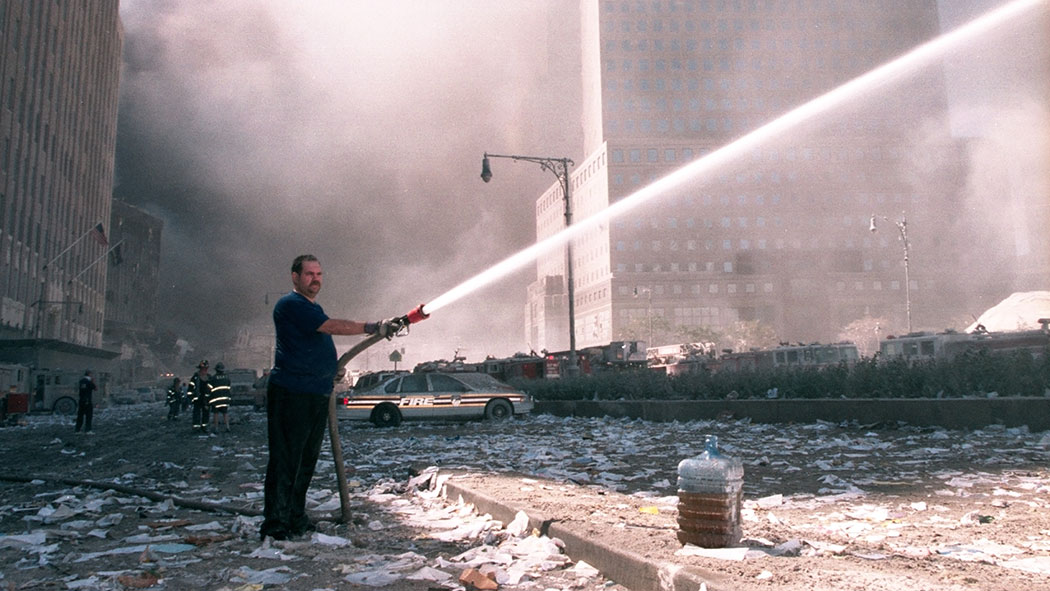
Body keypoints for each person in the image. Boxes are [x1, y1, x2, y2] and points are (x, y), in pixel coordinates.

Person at [260, 254, 395, 541]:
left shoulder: (312, 307)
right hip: (291, 393)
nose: (316, 279)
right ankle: (275, 524)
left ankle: (296, 518)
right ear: (295, 277)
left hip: (314, 393)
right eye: (309, 274)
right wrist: (372, 326)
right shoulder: (291, 304)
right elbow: (330, 326)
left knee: (306, 460)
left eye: (319, 274)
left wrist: (329, 372)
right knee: (286, 460)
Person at [188, 360, 211, 433]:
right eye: (203, 368)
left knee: (206, 413)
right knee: (196, 413)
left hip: (206, 399)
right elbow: (190, 388)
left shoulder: (209, 377)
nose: (204, 370)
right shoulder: (195, 377)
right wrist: (192, 398)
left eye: (205, 368)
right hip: (197, 399)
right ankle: (196, 427)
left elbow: (212, 388)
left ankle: (205, 427)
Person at [209, 363, 232, 432]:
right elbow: (228, 387)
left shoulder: (213, 378)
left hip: (216, 399)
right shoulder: (227, 378)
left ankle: (216, 428)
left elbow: (209, 388)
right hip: (225, 399)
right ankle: (227, 427)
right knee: (225, 413)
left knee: (215, 413)